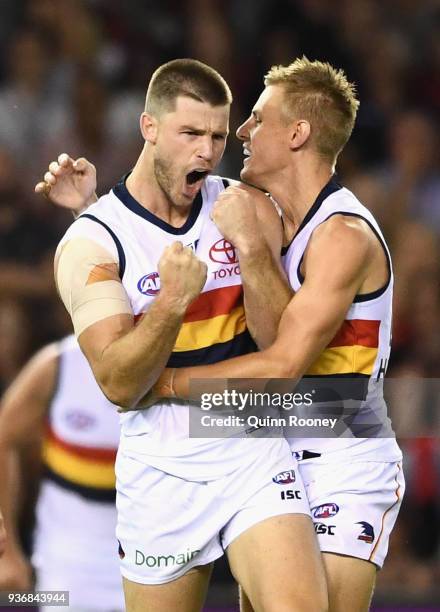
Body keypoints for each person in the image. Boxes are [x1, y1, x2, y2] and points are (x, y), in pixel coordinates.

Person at [43, 59, 327, 612]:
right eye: (191, 133)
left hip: (251, 448)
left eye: (218, 135)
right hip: (162, 467)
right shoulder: (94, 243)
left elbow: (279, 347)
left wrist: (252, 250)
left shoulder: (242, 207)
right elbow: (120, 385)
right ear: (149, 128)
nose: (207, 150)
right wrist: (173, 301)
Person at [142, 57, 404, 612]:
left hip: (343, 455)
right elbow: (267, 337)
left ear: (298, 133)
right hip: (275, 447)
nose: (240, 132)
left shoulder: (343, 235)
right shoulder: (270, 214)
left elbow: (285, 367)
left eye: (256, 118)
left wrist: (164, 385)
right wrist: (83, 208)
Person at [0, 336, 124, 611]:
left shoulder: (187, 367)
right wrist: (6, 551)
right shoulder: (57, 365)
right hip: (69, 561)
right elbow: (4, 439)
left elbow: (239, 429)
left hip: (161, 551)